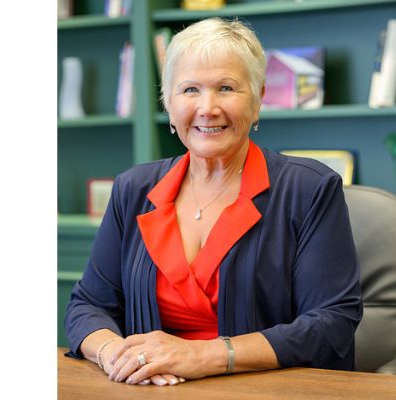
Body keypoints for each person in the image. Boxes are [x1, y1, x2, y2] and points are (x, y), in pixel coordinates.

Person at [64, 18, 363, 386]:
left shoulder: (310, 189)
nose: (208, 108)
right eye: (190, 90)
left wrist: (202, 355)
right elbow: (87, 306)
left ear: (257, 100)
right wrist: (119, 356)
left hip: (269, 391)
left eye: (226, 88)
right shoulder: (133, 188)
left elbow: (331, 324)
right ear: (168, 104)